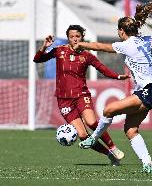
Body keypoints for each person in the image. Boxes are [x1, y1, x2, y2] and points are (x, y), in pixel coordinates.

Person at [75, 0, 152, 173]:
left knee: (109, 110)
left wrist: (82, 45)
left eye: (119, 31)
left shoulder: (125, 45)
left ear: (122, 31)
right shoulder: (146, 40)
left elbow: (101, 47)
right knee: (130, 130)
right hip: (151, 91)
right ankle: (148, 163)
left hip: (146, 91)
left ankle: (94, 138)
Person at [33, 25, 130, 166]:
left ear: (82, 37)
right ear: (68, 38)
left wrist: (118, 76)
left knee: (92, 122)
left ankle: (113, 148)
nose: (75, 39)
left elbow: (102, 69)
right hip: (64, 99)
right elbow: (37, 59)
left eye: (77, 36)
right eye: (71, 37)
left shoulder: (87, 56)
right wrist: (44, 47)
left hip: (81, 95)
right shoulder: (59, 51)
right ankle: (109, 155)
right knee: (83, 135)